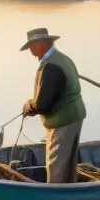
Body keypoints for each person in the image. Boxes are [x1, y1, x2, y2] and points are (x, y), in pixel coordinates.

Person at [20, 27, 86, 184]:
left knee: (56, 164)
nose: (30, 50)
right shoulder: (63, 58)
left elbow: (43, 103)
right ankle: (69, 196)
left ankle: (56, 199)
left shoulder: (50, 65)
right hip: (74, 116)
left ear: (42, 44)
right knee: (68, 164)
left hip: (62, 120)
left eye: (32, 45)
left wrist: (29, 106)